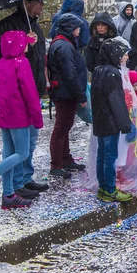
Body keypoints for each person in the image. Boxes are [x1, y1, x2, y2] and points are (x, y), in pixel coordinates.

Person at [0, 0, 48, 195]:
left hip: (33, 87)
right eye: (39, 2)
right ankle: (16, 183)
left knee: (28, 142)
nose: (42, 6)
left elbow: (40, 57)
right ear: (27, 3)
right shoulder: (7, 24)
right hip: (21, 94)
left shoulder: (36, 26)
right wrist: (22, 43)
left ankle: (23, 178)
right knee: (21, 145)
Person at [0, 31, 43, 209]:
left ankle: (8, 194)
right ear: (19, 45)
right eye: (24, 42)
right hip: (19, 115)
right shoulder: (21, 63)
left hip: (4, 114)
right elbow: (30, 93)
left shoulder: (1, 63)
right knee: (22, 153)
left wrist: (30, 40)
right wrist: (37, 117)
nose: (26, 45)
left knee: (8, 153)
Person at [90, 38, 133, 202]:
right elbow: (117, 101)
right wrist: (125, 124)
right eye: (124, 54)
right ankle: (109, 189)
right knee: (110, 156)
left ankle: (103, 187)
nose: (126, 58)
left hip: (101, 121)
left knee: (102, 155)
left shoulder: (98, 70)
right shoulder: (113, 73)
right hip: (110, 122)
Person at [47, 14, 88, 178]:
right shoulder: (64, 46)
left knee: (65, 126)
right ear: (70, 28)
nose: (79, 31)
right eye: (77, 28)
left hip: (64, 91)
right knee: (61, 128)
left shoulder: (63, 43)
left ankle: (65, 158)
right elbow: (70, 74)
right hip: (65, 93)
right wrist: (81, 96)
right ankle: (56, 164)